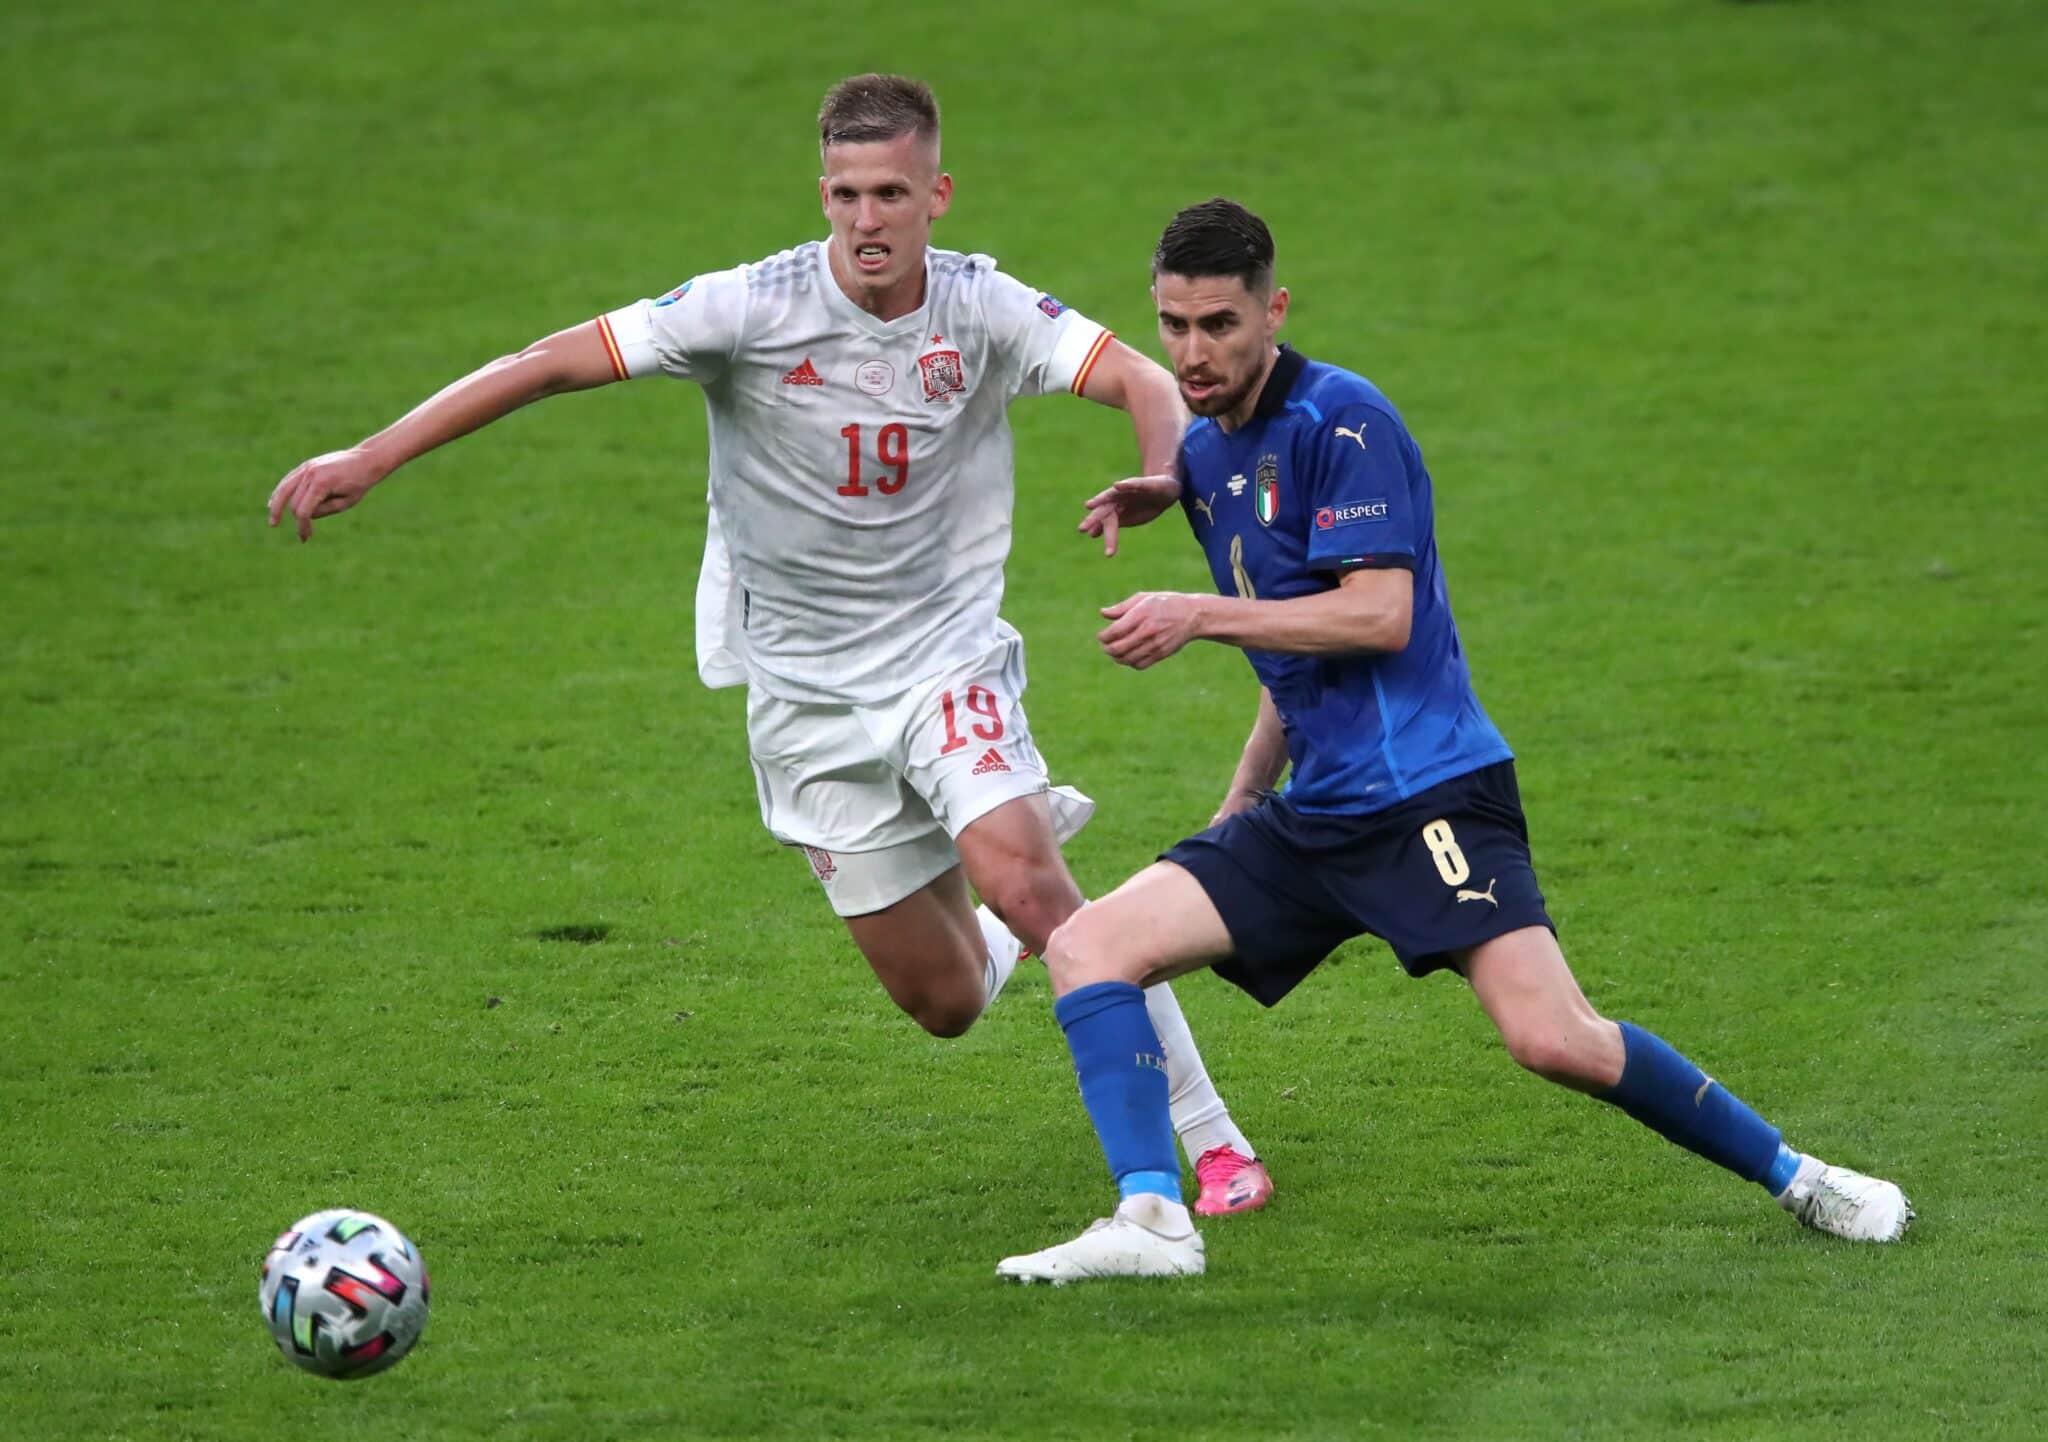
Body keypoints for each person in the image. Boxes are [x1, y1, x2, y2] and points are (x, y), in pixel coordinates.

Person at [265, 78, 1272, 1214]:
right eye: (845, 194)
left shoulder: (981, 307)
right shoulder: (747, 308)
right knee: (941, 1001)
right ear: (823, 196)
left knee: (1041, 889)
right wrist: (374, 455)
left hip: (943, 658)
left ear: (935, 194)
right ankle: (1007, 899)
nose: (866, 219)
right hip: (803, 695)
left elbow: (1138, 376)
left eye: (891, 192)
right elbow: (549, 359)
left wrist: (1158, 472)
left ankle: (1210, 1143)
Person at [996, 198, 1912, 1281]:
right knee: (1088, 945)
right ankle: (1151, 1216)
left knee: (1550, 1036)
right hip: (1317, 811)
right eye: (1173, 325)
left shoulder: (1345, 425)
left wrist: (1195, 612)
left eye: (1220, 325)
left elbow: (1373, 615)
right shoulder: (1205, 457)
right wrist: (1242, 800)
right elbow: (1293, 663)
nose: (1192, 353)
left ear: (1272, 311)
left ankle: (1800, 1175)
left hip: (1427, 794)